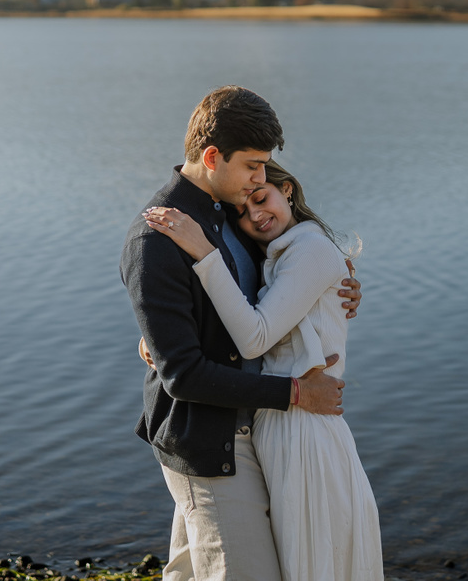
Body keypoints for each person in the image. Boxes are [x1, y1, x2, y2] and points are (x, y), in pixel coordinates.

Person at [119, 86, 363, 581]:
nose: (261, 177)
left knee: (191, 573)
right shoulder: (159, 237)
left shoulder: (227, 212)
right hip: (207, 439)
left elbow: (261, 298)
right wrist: (296, 393)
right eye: (252, 165)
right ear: (212, 157)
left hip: (249, 429)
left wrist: (334, 287)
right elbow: (183, 375)